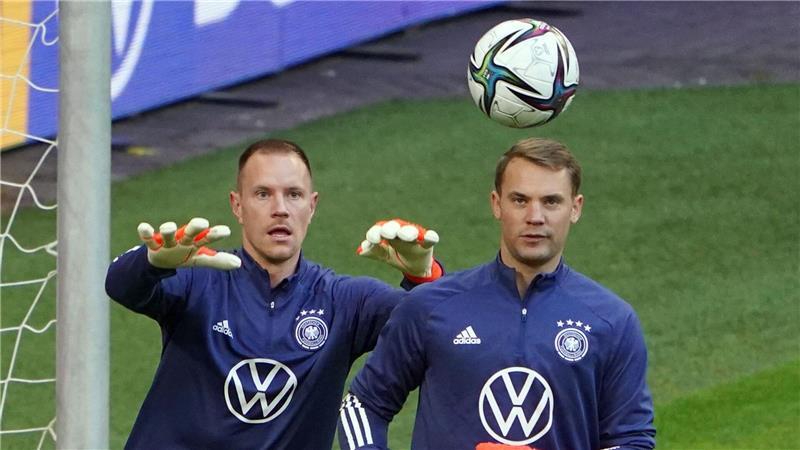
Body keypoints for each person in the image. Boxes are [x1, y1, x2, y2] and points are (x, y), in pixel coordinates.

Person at [105, 138, 443, 449]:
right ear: (237, 205)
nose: (280, 209)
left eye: (293, 195)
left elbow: (438, 331)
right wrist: (150, 263)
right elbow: (120, 286)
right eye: (263, 194)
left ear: (312, 206)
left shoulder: (345, 302)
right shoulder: (199, 281)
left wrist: (422, 275)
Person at [338, 137, 656, 450]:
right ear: (496, 204)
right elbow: (363, 405)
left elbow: (632, 439)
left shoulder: (612, 322)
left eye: (551, 201)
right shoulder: (430, 306)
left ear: (575, 208)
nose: (535, 217)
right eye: (520, 200)